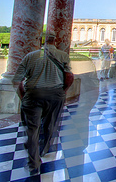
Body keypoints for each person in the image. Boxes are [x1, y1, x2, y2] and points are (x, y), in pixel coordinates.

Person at [12, 31, 73, 175]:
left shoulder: (30, 56)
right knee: (50, 124)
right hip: (55, 94)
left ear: (41, 40)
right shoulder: (63, 55)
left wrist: (24, 96)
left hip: (33, 94)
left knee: (32, 129)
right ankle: (44, 149)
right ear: (55, 41)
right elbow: (69, 76)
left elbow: (16, 80)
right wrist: (63, 91)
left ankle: (33, 161)